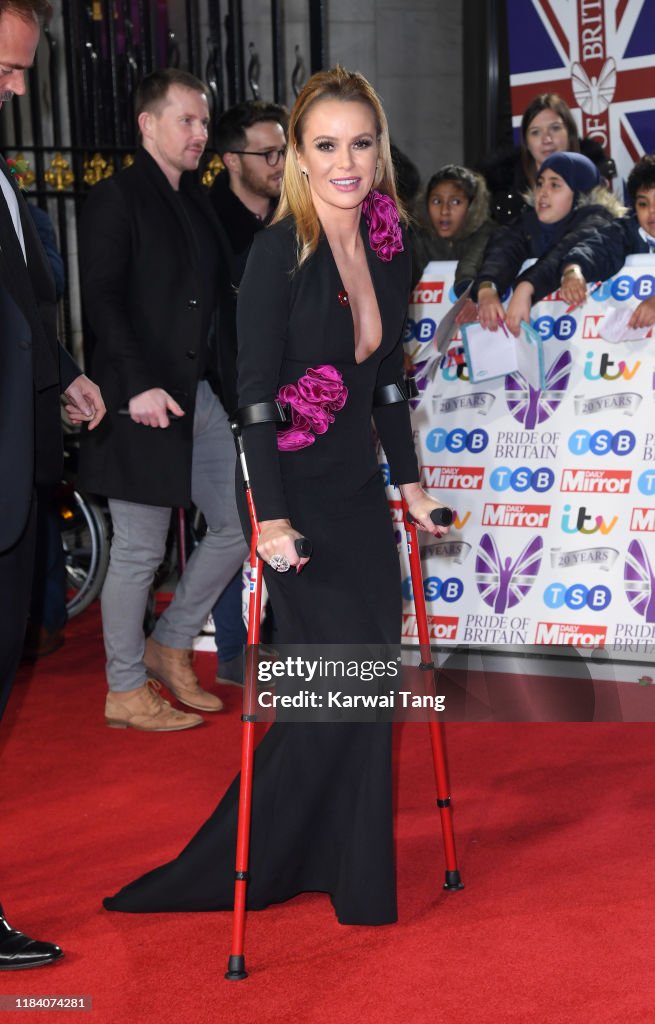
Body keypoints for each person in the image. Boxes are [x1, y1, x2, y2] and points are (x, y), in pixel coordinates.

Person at [103, 65, 450, 925]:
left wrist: (408, 485)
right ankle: (253, 863)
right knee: (344, 686)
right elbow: (253, 393)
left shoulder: (390, 244)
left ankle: (324, 860)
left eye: (361, 143)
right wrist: (271, 517)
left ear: (379, 148)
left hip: (361, 503)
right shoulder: (276, 253)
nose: (347, 162)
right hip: (296, 503)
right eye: (326, 145)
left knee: (355, 694)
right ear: (293, 155)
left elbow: (387, 384)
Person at [78, 68, 247, 731]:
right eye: (187, 120)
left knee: (235, 525)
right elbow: (102, 299)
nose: (200, 133)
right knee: (141, 553)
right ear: (148, 124)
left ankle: (171, 642)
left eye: (205, 122)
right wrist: (135, 383)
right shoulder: (115, 198)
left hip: (197, 394)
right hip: (138, 396)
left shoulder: (196, 200)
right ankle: (124, 688)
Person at [0, 0, 105, 969]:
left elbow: (24, 302)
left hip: (18, 484)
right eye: (8, 67)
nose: (19, 88)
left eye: (26, 70)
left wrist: (62, 370)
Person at [207, 99, 287, 685]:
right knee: (237, 527)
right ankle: (236, 655)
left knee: (282, 522)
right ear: (233, 160)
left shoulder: (291, 214)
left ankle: (281, 647)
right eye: (268, 153)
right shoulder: (207, 221)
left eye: (285, 150)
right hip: (228, 394)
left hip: (294, 398)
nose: (281, 162)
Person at [468, 151, 624, 336]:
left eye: (555, 185)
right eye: (540, 183)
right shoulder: (528, 221)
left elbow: (565, 250)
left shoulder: (599, 221)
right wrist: (488, 287)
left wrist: (526, 288)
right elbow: (504, 248)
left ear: (580, 193)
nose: (543, 192)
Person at [560, 153, 655, 328]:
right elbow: (595, 248)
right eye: (643, 204)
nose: (651, 211)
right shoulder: (625, 231)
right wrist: (573, 271)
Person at [411, 164, 495, 293]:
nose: (444, 211)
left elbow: (469, 266)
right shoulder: (416, 236)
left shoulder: (486, 232)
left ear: (472, 206)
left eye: (455, 202)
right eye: (436, 201)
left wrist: (466, 291)